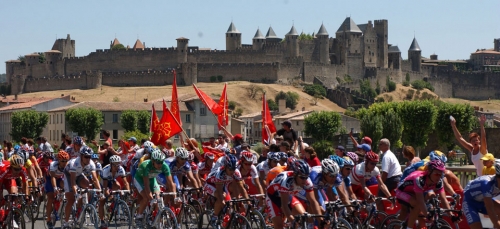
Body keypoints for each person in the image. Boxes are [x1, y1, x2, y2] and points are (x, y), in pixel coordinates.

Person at [266, 159, 323, 229]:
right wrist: (292, 221)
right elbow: (284, 205)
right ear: (295, 174)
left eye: (306, 177)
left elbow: (313, 201)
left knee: (303, 217)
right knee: (279, 226)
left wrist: (321, 220)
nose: (305, 180)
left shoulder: (307, 181)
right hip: (273, 197)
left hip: (287, 195)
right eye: (302, 177)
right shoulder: (286, 181)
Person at [395, 160, 451, 229]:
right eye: (436, 174)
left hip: (414, 192)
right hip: (402, 191)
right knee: (417, 204)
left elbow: (444, 199)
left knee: (429, 199)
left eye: (441, 174)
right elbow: (420, 201)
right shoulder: (420, 179)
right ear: (429, 172)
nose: (439, 177)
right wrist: (427, 215)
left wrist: (451, 215)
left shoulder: (439, 182)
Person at [133, 149, 176, 227]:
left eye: (161, 162)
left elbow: (170, 183)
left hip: (152, 179)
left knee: (158, 199)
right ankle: (139, 216)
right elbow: (146, 185)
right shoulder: (146, 166)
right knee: (146, 198)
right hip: (140, 179)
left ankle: (155, 220)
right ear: (153, 161)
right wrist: (151, 199)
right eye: (158, 163)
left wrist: (175, 196)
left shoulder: (164, 166)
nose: (160, 165)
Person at [204, 154, 249, 226]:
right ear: (225, 167)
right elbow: (219, 192)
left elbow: (242, 188)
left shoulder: (236, 172)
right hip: (210, 184)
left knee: (230, 204)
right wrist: (224, 204)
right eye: (230, 169)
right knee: (221, 198)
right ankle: (214, 218)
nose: (232, 171)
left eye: (234, 169)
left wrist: (248, 203)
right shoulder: (220, 173)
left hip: (223, 184)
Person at [62, 146, 101, 228]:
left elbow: (95, 179)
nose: (88, 159)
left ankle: (79, 210)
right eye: (86, 157)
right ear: (81, 156)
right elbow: (73, 182)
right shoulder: (75, 163)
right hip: (69, 175)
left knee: (88, 186)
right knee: (71, 198)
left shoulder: (91, 163)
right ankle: (66, 221)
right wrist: (75, 193)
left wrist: (100, 191)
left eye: (89, 157)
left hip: (79, 174)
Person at [462, 162, 500, 229]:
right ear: (497, 177)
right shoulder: (486, 184)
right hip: (470, 202)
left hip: (482, 200)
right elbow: (490, 209)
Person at [98, 155, 129, 229]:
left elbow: (126, 182)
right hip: (102, 182)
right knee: (102, 200)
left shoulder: (121, 169)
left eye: (118, 164)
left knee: (118, 186)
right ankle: (102, 221)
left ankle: (112, 203)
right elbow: (105, 186)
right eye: (115, 164)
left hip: (111, 179)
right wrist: (107, 193)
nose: (117, 166)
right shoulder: (106, 170)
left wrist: (128, 191)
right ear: (111, 164)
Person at [45, 151, 69, 229]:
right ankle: (48, 218)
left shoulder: (68, 165)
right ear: (58, 160)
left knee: (66, 188)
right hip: (50, 179)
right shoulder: (53, 164)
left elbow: (68, 178)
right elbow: (52, 177)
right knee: (51, 198)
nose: (64, 163)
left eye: (66, 161)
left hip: (59, 178)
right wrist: (55, 188)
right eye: (62, 161)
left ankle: (59, 207)